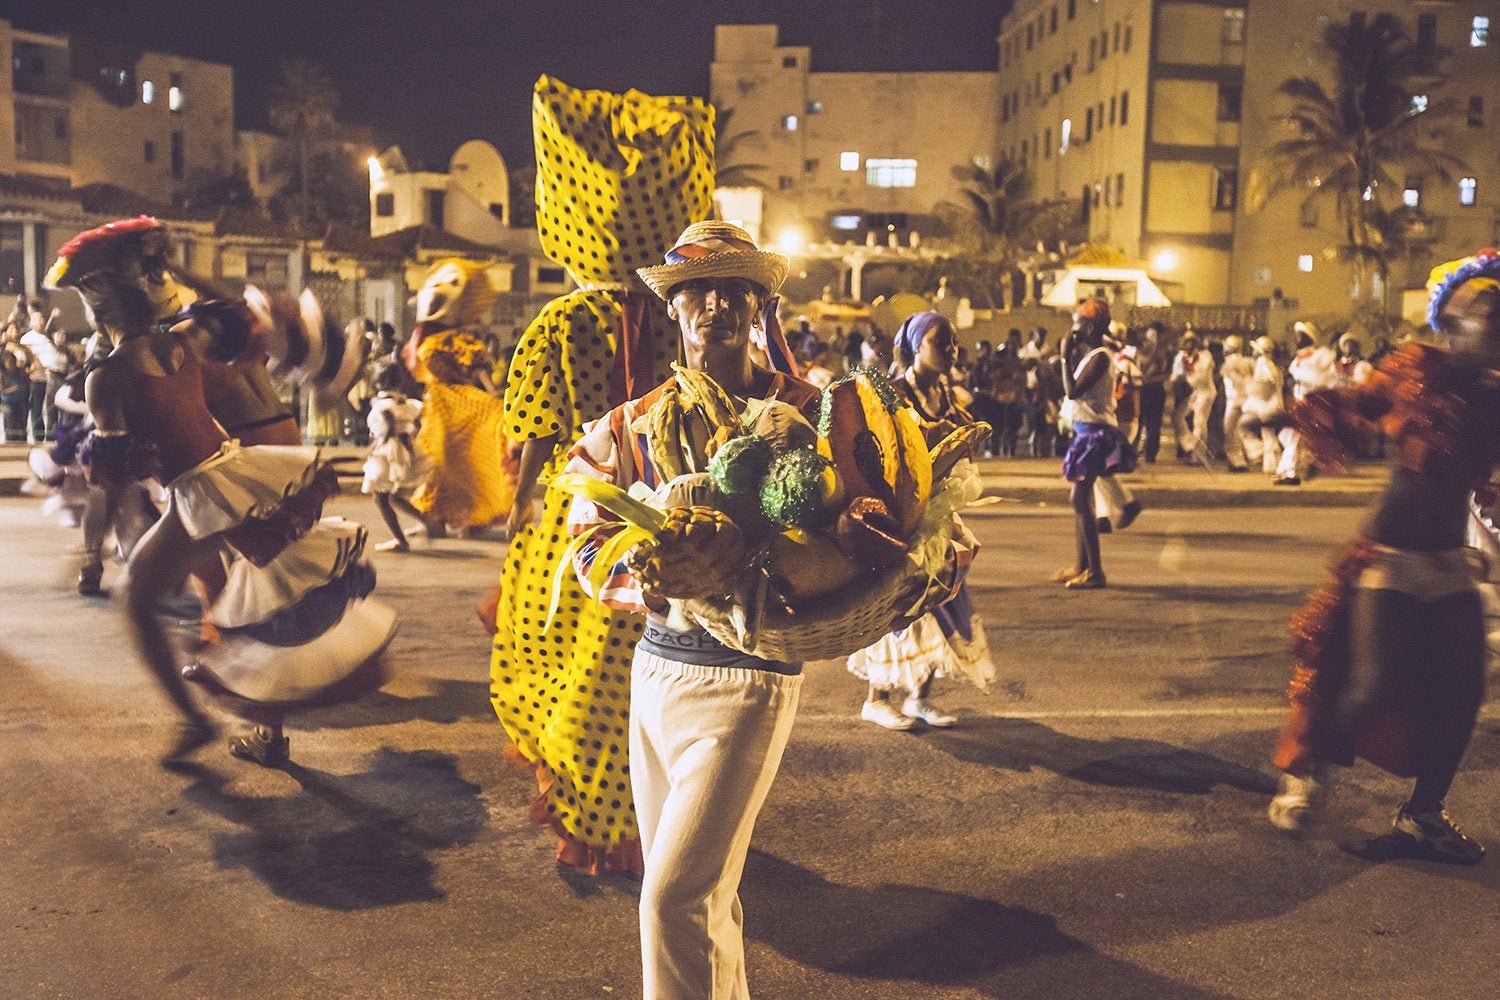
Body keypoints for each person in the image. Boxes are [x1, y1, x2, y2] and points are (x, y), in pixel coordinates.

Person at [567, 221, 821, 998]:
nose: (718, 303)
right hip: (656, 673)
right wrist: (646, 575)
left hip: (750, 678)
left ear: (761, 307)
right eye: (698, 290)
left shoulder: (808, 412)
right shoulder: (629, 424)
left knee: (672, 896)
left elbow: (871, 532)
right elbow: (583, 539)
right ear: (673, 310)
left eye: (738, 288)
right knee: (707, 899)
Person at [46, 217, 393, 767]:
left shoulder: (105, 377)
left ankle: (197, 722)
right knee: (260, 599)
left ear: (96, 301)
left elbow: (108, 479)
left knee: (149, 599)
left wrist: (93, 550)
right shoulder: (185, 339)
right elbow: (237, 314)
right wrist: (170, 262)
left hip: (206, 492)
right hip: (250, 467)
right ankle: (260, 726)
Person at [483, 76, 708, 876]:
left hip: (580, 535)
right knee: (653, 674)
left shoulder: (562, 321)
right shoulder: (689, 323)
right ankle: (666, 808)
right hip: (675, 527)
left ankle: (600, 815)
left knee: (577, 676)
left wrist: (516, 519)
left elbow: (538, 438)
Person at [1267, 249, 1500, 865]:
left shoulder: (1498, 399)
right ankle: (1308, 773)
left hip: (1449, 562)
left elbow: (1489, 484)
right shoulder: (1417, 367)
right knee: (1371, 685)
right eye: (1486, 314)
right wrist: (1332, 416)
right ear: (1457, 321)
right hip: (1388, 557)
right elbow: (1355, 405)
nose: (1494, 326)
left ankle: (1423, 814)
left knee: (1465, 689)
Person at [849, 311, 995, 730]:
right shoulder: (893, 392)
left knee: (942, 600)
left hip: (940, 513)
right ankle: (876, 698)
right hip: (900, 517)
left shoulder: (950, 397)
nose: (950, 350)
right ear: (915, 347)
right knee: (897, 605)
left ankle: (919, 696)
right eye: (940, 342)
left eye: (952, 343)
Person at [402, 258, 513, 536]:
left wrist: (491, 393)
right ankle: (434, 516)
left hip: (462, 407)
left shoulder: (459, 340)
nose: (440, 286)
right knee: (437, 461)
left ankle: (475, 517)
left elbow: (477, 368)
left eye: (454, 282)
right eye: (439, 279)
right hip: (438, 406)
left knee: (460, 462)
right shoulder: (427, 338)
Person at [1054, 297, 1139, 589]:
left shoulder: (1101, 357)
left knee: (1079, 498)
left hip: (1095, 434)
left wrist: (1065, 356)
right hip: (1085, 432)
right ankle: (1082, 565)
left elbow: (1072, 391)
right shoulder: (1094, 355)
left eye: (1077, 326)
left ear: (1089, 326)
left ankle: (1096, 572)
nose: (1073, 332)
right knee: (1083, 499)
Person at [361, 364, 432, 551]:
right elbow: (416, 423)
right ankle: (427, 521)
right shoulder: (407, 403)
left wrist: (371, 448)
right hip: (406, 446)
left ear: (378, 382)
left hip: (388, 451)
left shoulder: (383, 406)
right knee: (395, 495)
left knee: (381, 498)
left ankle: (401, 540)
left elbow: (385, 431)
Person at [1170, 329, 1216, 464]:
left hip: (1206, 392)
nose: (1188, 346)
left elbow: (1200, 375)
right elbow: (1180, 373)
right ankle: (1189, 445)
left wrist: (1184, 376)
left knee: (1199, 423)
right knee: (1178, 416)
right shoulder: (1185, 357)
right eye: (1186, 343)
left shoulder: (1205, 356)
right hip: (1196, 392)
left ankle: (1198, 456)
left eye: (1191, 343)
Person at [1134, 321, 1170, 461]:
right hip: (1143, 388)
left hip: (1153, 388)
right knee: (1140, 420)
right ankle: (1139, 451)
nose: (1150, 337)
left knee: (1152, 423)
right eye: (1149, 334)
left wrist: (1147, 379)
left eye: (1153, 335)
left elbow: (1166, 372)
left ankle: (1150, 453)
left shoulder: (1163, 352)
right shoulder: (1141, 350)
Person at [1219, 334, 1255, 472]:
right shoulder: (1246, 362)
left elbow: (1236, 383)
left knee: (1230, 431)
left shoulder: (1231, 363)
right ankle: (1241, 460)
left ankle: (1236, 460)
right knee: (1239, 432)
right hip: (1245, 400)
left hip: (1234, 401)